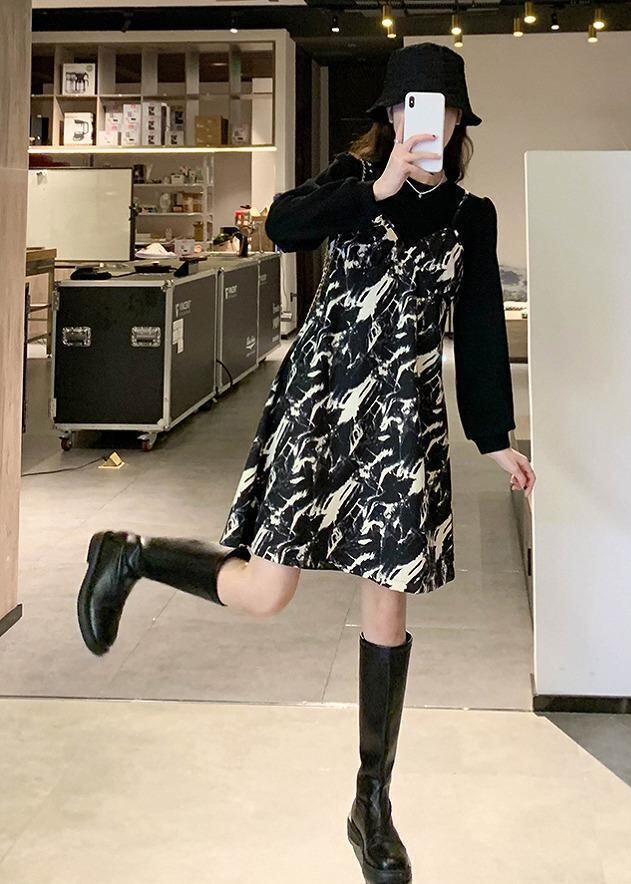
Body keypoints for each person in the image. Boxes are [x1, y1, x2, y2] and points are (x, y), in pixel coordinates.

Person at [76, 42, 536, 884]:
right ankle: (131, 555)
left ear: (458, 122)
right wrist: (378, 188)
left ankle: (371, 804)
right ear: (388, 117)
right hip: (321, 409)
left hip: (402, 425)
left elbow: (475, 327)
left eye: (441, 110)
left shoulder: (472, 215)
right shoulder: (348, 184)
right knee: (265, 593)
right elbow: (281, 227)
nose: (425, 123)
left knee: (387, 604)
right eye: (410, 108)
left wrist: (495, 435)